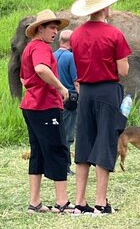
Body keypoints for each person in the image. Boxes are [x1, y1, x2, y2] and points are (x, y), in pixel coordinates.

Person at [69, 0, 131, 215]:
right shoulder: (114, 34)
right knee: (105, 143)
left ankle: (79, 202)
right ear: (106, 7)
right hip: (107, 92)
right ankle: (101, 202)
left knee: (84, 143)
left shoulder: (76, 35)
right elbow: (123, 71)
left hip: (85, 93)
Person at [19, 9, 76, 214]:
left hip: (31, 106)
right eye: (52, 28)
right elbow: (41, 69)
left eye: (56, 28)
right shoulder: (41, 48)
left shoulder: (29, 48)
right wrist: (61, 88)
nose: (55, 32)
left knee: (39, 153)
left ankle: (34, 203)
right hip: (45, 106)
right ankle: (62, 202)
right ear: (40, 29)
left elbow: (24, 80)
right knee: (58, 149)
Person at [53, 29, 78, 176]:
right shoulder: (71, 57)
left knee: (55, 132)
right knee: (67, 135)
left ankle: (54, 164)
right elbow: (76, 82)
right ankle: (65, 167)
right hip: (69, 101)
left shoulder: (52, 55)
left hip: (53, 100)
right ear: (71, 42)